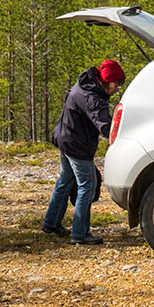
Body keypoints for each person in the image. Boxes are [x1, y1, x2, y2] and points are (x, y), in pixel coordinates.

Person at [42, 59, 125, 245]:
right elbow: (105, 127)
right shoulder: (92, 98)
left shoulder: (84, 85)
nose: (118, 88)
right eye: (116, 83)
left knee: (65, 181)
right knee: (87, 185)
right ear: (106, 80)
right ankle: (80, 233)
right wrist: (125, 131)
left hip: (65, 138)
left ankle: (51, 223)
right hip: (76, 144)